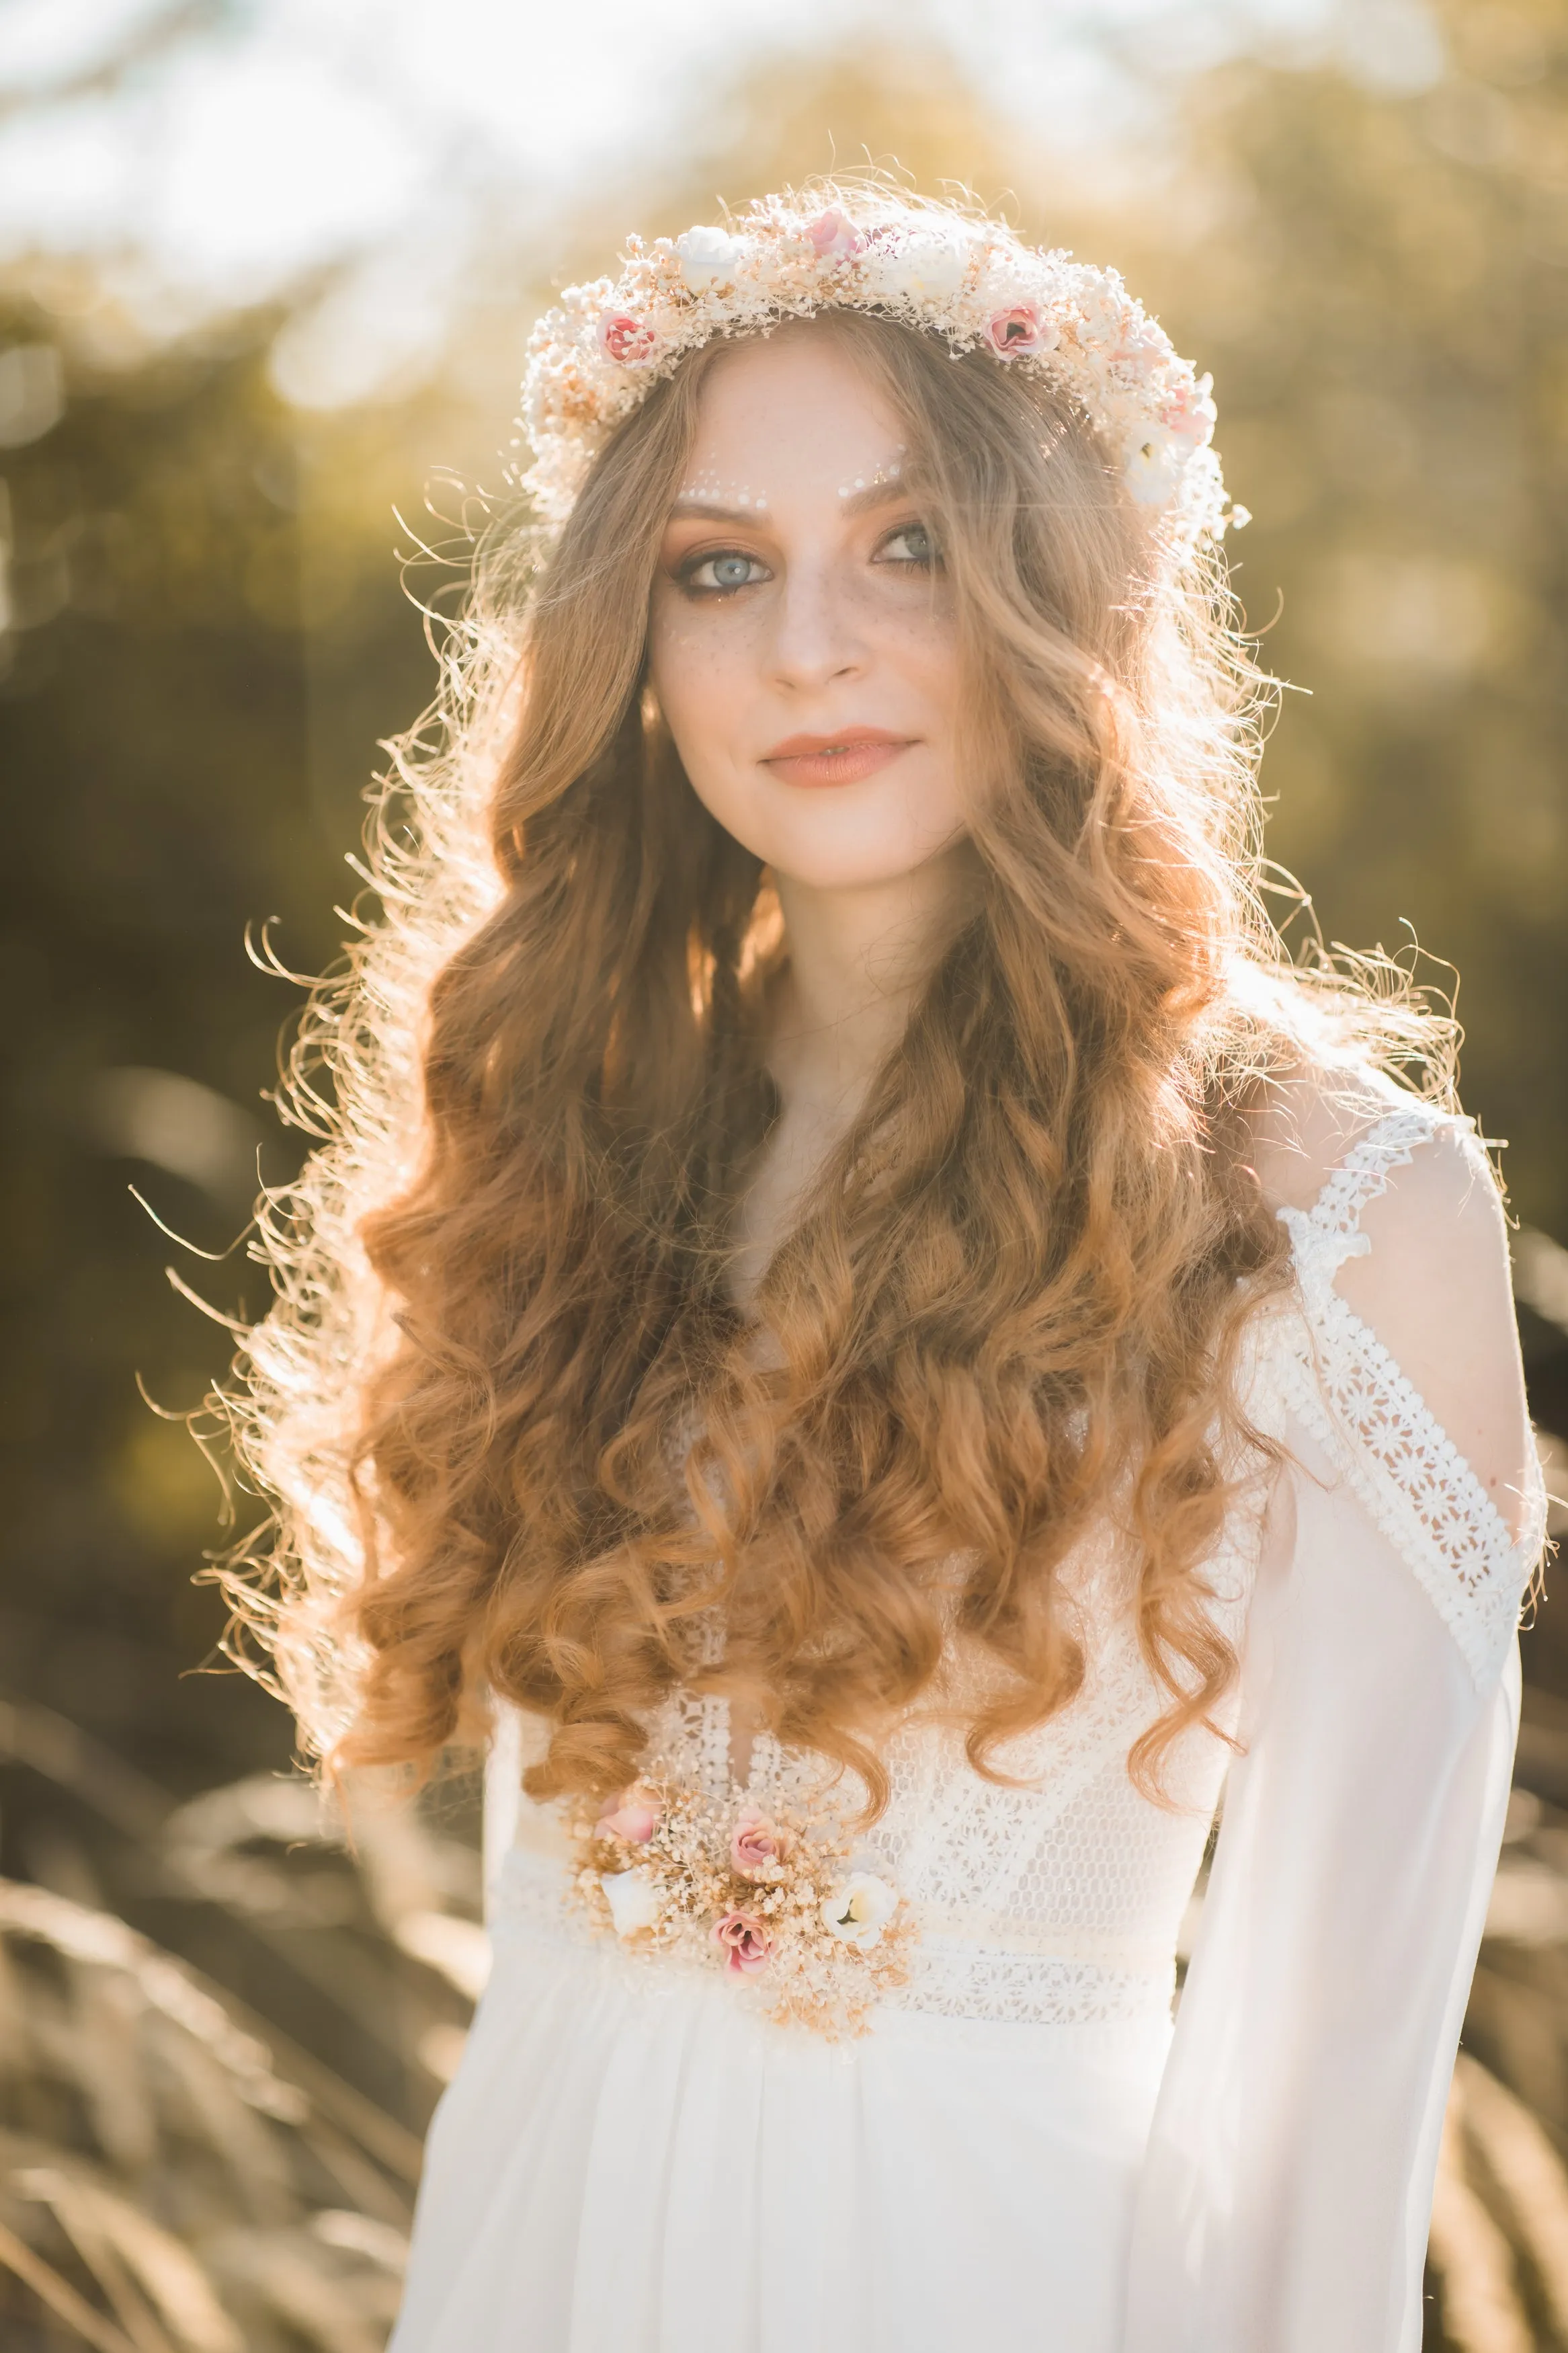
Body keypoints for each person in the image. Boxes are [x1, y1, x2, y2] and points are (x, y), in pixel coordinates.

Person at [226, 182, 1546, 2352]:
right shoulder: (567, 1137)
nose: (806, 647)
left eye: (908, 543)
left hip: (991, 2274)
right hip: (539, 2258)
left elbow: (1328, 2074)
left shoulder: (1331, 1201)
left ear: (1066, 591)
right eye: (718, 568)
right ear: (627, 646)